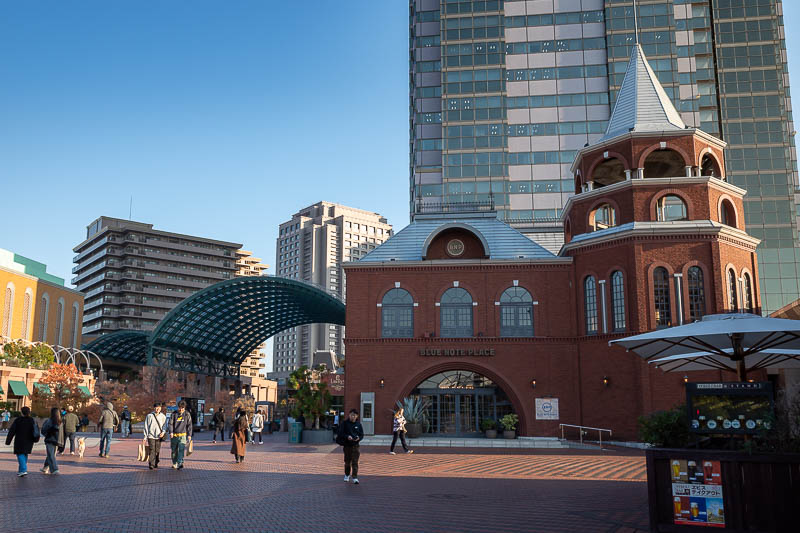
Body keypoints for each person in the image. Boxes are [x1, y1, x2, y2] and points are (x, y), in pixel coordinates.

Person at [5, 406, 38, 476]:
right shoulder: (32, 420)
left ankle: (23, 470)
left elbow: (12, 431)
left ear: (22, 412)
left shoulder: (18, 420)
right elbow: (36, 430)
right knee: (25, 454)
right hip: (29, 440)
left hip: (19, 440)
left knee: (20, 454)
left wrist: (8, 441)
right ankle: (21, 470)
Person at [338, 409, 364, 484]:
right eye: (351, 415)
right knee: (347, 462)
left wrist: (359, 438)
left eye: (354, 415)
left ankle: (355, 477)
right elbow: (340, 433)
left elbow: (362, 434)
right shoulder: (344, 423)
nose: (353, 416)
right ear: (349, 415)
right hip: (347, 445)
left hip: (356, 446)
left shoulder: (358, 424)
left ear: (357, 416)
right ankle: (347, 475)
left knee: (355, 462)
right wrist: (347, 436)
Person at [169, 400, 192, 469]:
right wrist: (171, 432)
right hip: (174, 435)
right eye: (180, 408)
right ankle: (174, 463)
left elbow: (189, 425)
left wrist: (189, 435)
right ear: (178, 407)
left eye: (183, 408)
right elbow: (170, 424)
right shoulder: (173, 414)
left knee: (181, 449)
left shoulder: (187, 414)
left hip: (183, 435)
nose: (181, 409)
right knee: (174, 451)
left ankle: (180, 462)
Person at [41, 407, 64, 475]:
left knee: (51, 455)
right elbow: (62, 433)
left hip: (50, 439)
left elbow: (43, 430)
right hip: (57, 440)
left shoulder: (49, 421)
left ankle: (54, 469)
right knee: (51, 454)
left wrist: (46, 435)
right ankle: (45, 467)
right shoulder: (60, 422)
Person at [143, 403, 166, 470]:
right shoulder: (149, 416)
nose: (157, 409)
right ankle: (151, 464)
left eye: (159, 407)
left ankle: (156, 461)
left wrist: (163, 432)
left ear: (161, 408)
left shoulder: (163, 416)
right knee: (152, 449)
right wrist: (145, 436)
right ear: (154, 408)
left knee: (157, 450)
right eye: (156, 407)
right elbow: (146, 426)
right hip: (151, 435)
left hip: (159, 436)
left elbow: (165, 425)